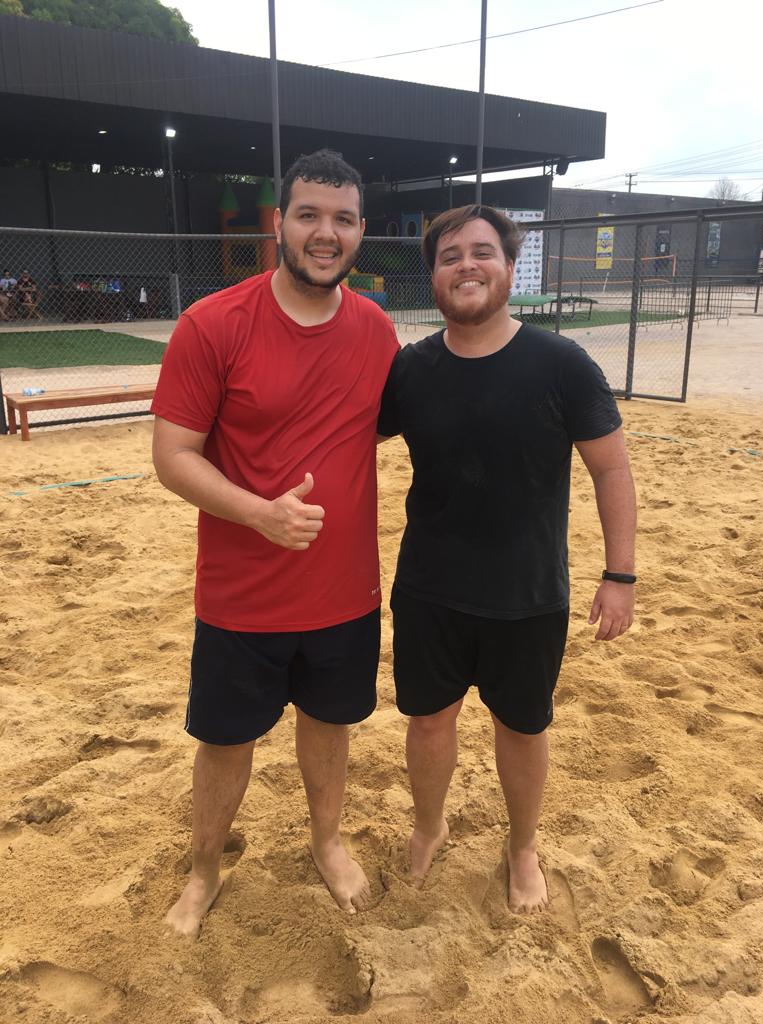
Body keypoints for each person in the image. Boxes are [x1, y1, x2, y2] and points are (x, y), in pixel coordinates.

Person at [152, 149, 399, 937]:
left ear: (361, 231)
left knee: (329, 726)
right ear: (281, 223)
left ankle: (327, 842)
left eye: (343, 219)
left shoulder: (376, 329)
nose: (326, 233)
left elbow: (396, 423)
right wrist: (259, 512)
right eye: (309, 215)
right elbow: (172, 455)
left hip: (345, 591)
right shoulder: (213, 323)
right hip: (241, 595)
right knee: (226, 740)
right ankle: (204, 870)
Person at [377, 205, 636, 914]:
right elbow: (343, 438)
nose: (466, 265)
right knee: (429, 721)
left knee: (522, 728)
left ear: (510, 267)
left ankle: (522, 846)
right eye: (449, 255)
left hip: (528, 591)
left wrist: (619, 575)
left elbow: (611, 469)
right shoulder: (412, 369)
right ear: (433, 276)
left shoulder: (561, 364)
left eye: (482, 252)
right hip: (429, 587)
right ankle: (429, 826)